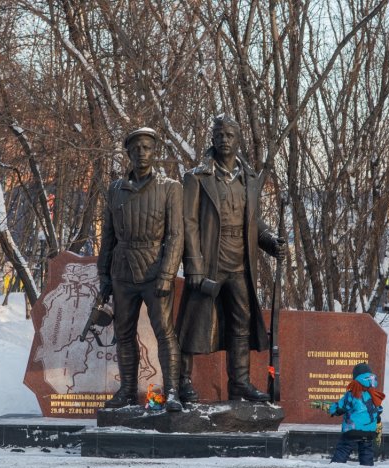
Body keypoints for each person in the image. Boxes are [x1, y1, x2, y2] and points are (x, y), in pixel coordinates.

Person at [176, 114, 285, 403]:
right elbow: (187, 223)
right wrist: (194, 265)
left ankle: (239, 384)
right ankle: (181, 382)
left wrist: (271, 242)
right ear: (212, 139)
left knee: (241, 323)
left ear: (238, 141)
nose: (224, 140)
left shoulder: (249, 178)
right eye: (220, 135)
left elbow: (253, 221)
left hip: (240, 263)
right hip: (209, 261)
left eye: (230, 135)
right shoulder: (197, 177)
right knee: (193, 323)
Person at [97, 127, 184, 412]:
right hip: (122, 271)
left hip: (154, 269)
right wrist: (104, 275)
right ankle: (126, 391)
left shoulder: (169, 188)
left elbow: (175, 235)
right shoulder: (115, 189)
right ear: (129, 153)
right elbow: (107, 236)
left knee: (165, 332)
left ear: (154, 151)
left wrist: (168, 274)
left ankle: (172, 392)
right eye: (136, 149)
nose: (141, 153)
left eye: (147, 148)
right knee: (123, 333)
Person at [327, 362, 385, 466]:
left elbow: (341, 407)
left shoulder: (353, 393)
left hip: (352, 429)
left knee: (343, 449)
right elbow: (379, 410)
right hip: (369, 431)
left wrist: (332, 409)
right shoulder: (373, 393)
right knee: (366, 451)